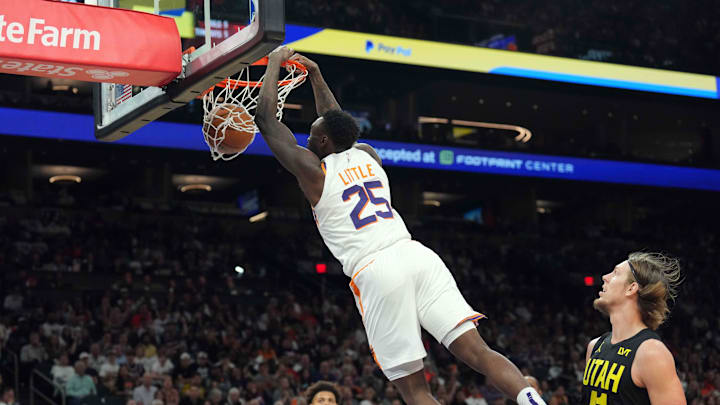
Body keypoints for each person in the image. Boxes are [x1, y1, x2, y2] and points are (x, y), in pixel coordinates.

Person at [254, 46, 545, 405]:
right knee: (478, 353)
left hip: (376, 269)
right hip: (416, 255)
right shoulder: (368, 155)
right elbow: (335, 120)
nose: (308, 140)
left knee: (414, 389)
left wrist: (272, 65)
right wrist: (314, 74)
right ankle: (531, 399)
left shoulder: (314, 172)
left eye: (313, 136)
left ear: (325, 142)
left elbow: (267, 121)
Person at [582, 252, 685, 405]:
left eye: (615, 273)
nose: (605, 277)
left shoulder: (651, 353)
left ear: (631, 288)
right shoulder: (595, 346)